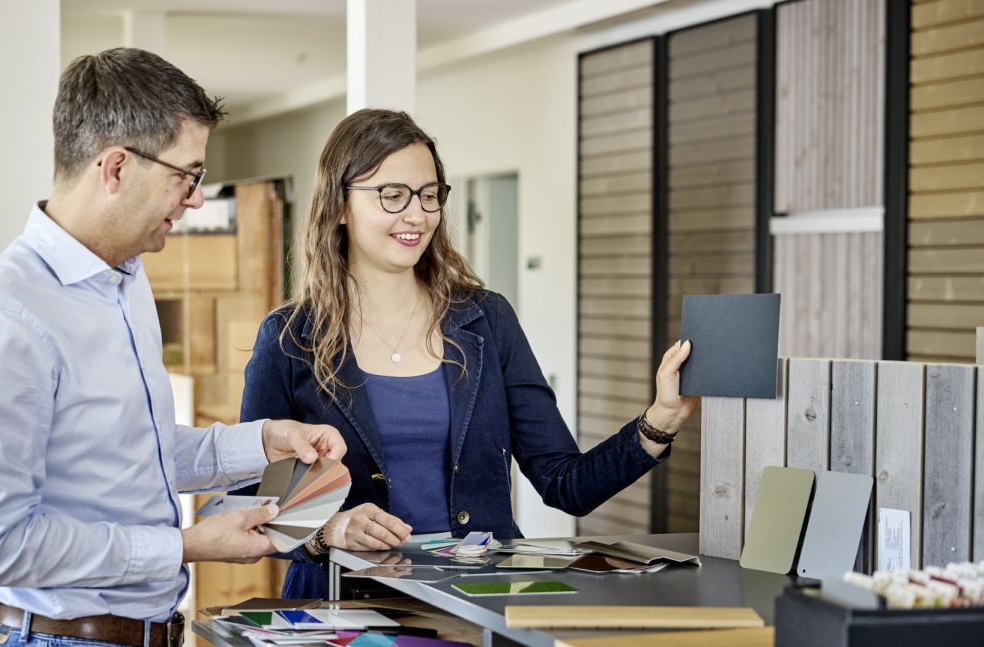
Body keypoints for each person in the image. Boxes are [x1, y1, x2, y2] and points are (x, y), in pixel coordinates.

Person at [0, 48, 345, 647]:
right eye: (187, 175)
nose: (195, 198)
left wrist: (263, 441)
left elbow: (141, 453)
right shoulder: (4, 318)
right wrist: (187, 545)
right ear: (117, 166)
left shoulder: (123, 284)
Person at [241, 108, 698, 607]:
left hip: (478, 604)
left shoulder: (486, 320)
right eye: (392, 195)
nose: (417, 215)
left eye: (429, 195)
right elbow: (253, 506)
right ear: (340, 205)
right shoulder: (290, 339)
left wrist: (660, 422)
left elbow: (566, 484)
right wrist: (327, 531)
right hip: (342, 609)